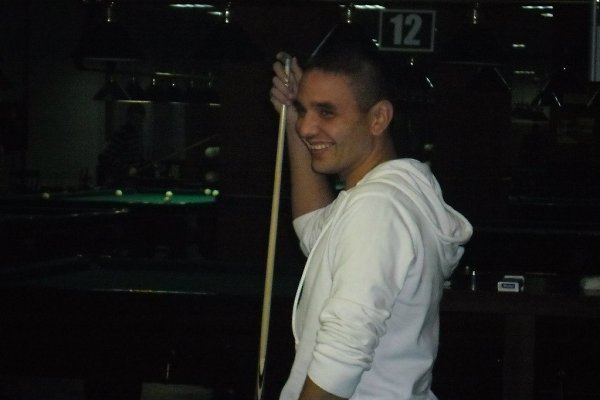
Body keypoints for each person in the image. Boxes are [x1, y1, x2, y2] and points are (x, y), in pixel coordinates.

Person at [269, 24, 473, 400]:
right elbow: (313, 230)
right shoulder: (383, 200)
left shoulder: (378, 208)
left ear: (378, 118)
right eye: (303, 110)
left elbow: (340, 358)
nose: (307, 127)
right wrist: (291, 123)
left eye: (326, 112)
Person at [97, 103, 146, 185]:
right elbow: (104, 157)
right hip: (120, 181)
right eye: (134, 119)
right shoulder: (121, 134)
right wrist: (126, 169)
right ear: (128, 117)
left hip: (132, 181)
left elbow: (134, 158)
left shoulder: (136, 135)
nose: (137, 123)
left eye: (139, 120)